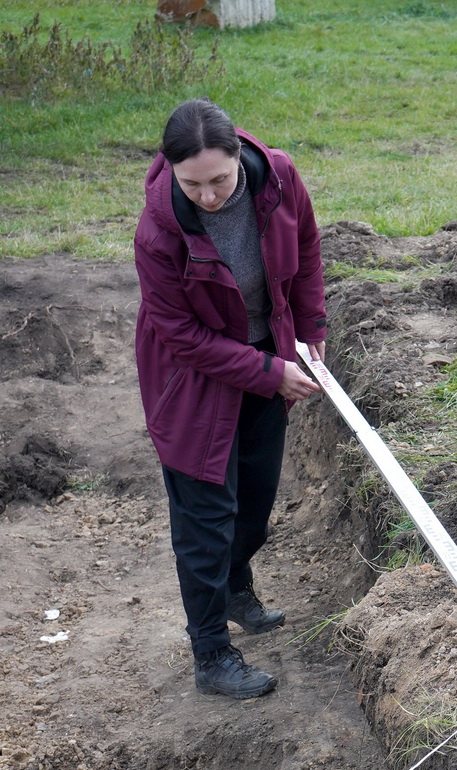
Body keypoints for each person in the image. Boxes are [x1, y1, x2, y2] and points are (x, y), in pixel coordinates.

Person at [134, 98, 326, 699]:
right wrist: (269, 372)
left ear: (240, 159)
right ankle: (212, 654)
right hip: (191, 384)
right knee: (205, 522)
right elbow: (183, 336)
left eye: (220, 180)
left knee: (255, 501)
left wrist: (311, 333)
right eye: (194, 185)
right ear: (171, 172)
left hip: (266, 357)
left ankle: (237, 587)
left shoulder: (279, 178)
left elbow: (308, 255)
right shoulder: (158, 234)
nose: (211, 197)